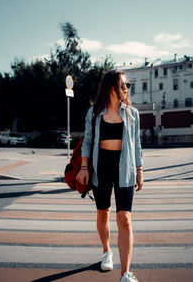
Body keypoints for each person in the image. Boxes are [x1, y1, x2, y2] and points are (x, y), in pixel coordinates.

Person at [76, 70, 143, 282]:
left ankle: (126, 273)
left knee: (125, 218)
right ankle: (107, 251)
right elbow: (87, 141)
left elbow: (138, 144)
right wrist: (84, 167)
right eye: (122, 85)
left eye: (127, 85)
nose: (126, 89)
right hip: (101, 166)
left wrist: (140, 170)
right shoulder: (94, 113)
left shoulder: (133, 114)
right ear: (110, 88)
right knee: (103, 211)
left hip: (125, 168)